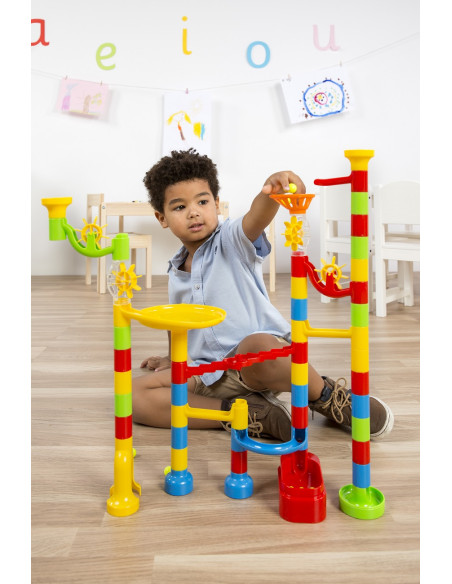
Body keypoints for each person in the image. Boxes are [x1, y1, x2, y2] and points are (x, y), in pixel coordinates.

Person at [132, 149, 394, 442]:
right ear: (162, 218)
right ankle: (248, 415)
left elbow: (256, 217)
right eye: (180, 207)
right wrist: (171, 358)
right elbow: (177, 321)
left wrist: (271, 192)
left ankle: (326, 396)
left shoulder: (231, 240)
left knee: (257, 345)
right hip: (207, 374)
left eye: (202, 202)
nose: (193, 212)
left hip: (259, 363)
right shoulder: (176, 270)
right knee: (133, 396)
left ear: (216, 204)